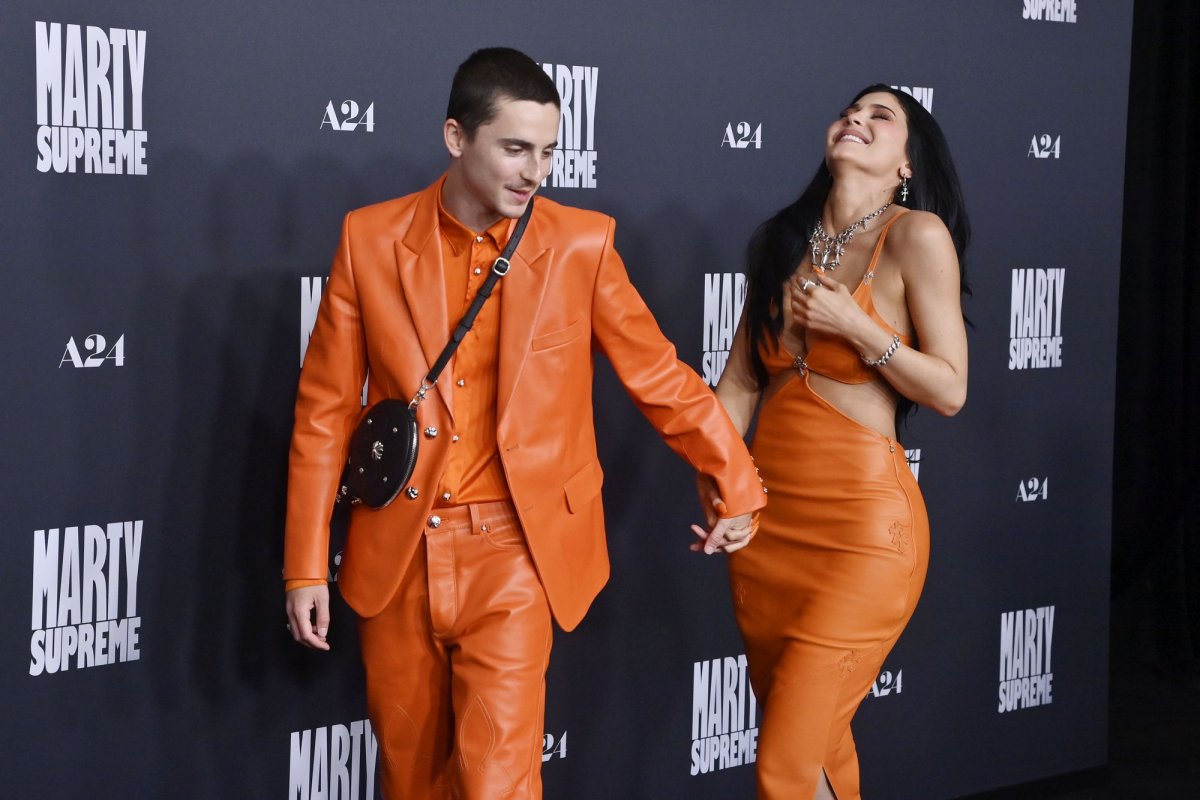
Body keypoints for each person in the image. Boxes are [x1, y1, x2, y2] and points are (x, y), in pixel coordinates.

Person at [283, 47, 765, 800]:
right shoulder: (369, 239)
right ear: (456, 137)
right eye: (514, 148)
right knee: (411, 782)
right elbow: (323, 414)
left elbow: (660, 377)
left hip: (514, 551)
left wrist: (737, 478)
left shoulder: (580, 243)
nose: (533, 171)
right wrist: (307, 565)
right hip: (398, 551)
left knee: (499, 784)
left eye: (545, 151)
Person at [703, 84, 970, 799]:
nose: (856, 120)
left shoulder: (916, 237)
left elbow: (949, 389)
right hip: (767, 535)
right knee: (818, 752)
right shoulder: (779, 241)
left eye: (880, 117)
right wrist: (726, 486)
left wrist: (859, 330)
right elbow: (738, 385)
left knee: (786, 765)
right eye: (850, 112)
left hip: (863, 532)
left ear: (907, 163)